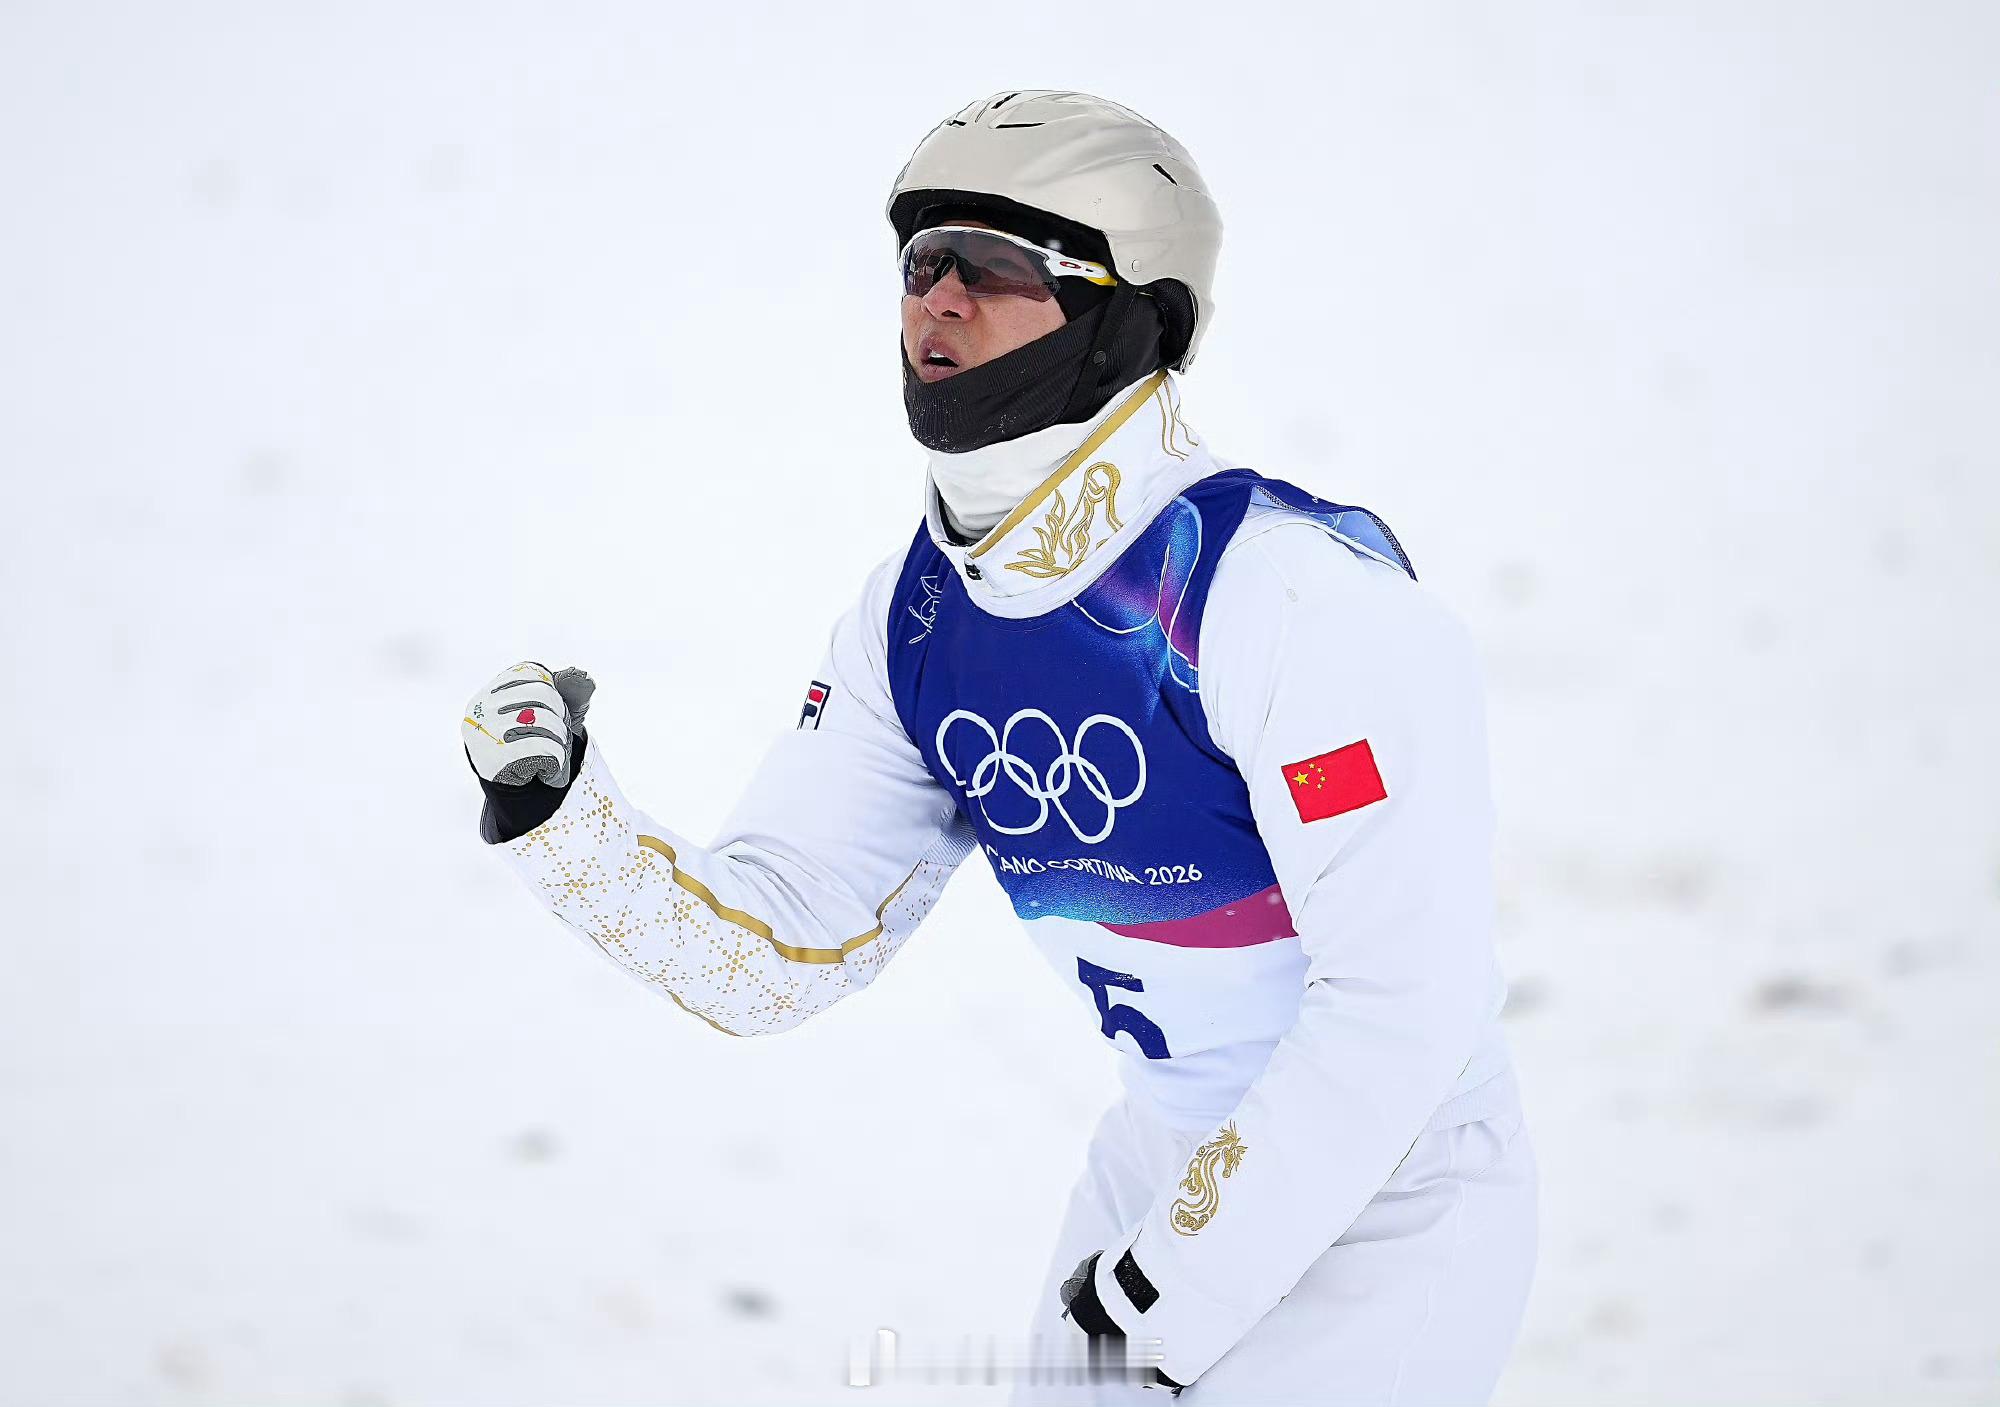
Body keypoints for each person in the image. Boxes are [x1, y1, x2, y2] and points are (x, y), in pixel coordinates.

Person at [460, 90, 1536, 1404]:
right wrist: (564, 821)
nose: (938, 302)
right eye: (922, 264)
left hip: (1393, 1209)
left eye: (1001, 267)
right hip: (1159, 1186)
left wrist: (1160, 1298)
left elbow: (1402, 1014)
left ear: (1127, 320)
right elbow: (775, 954)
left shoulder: (1293, 602)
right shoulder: (915, 623)